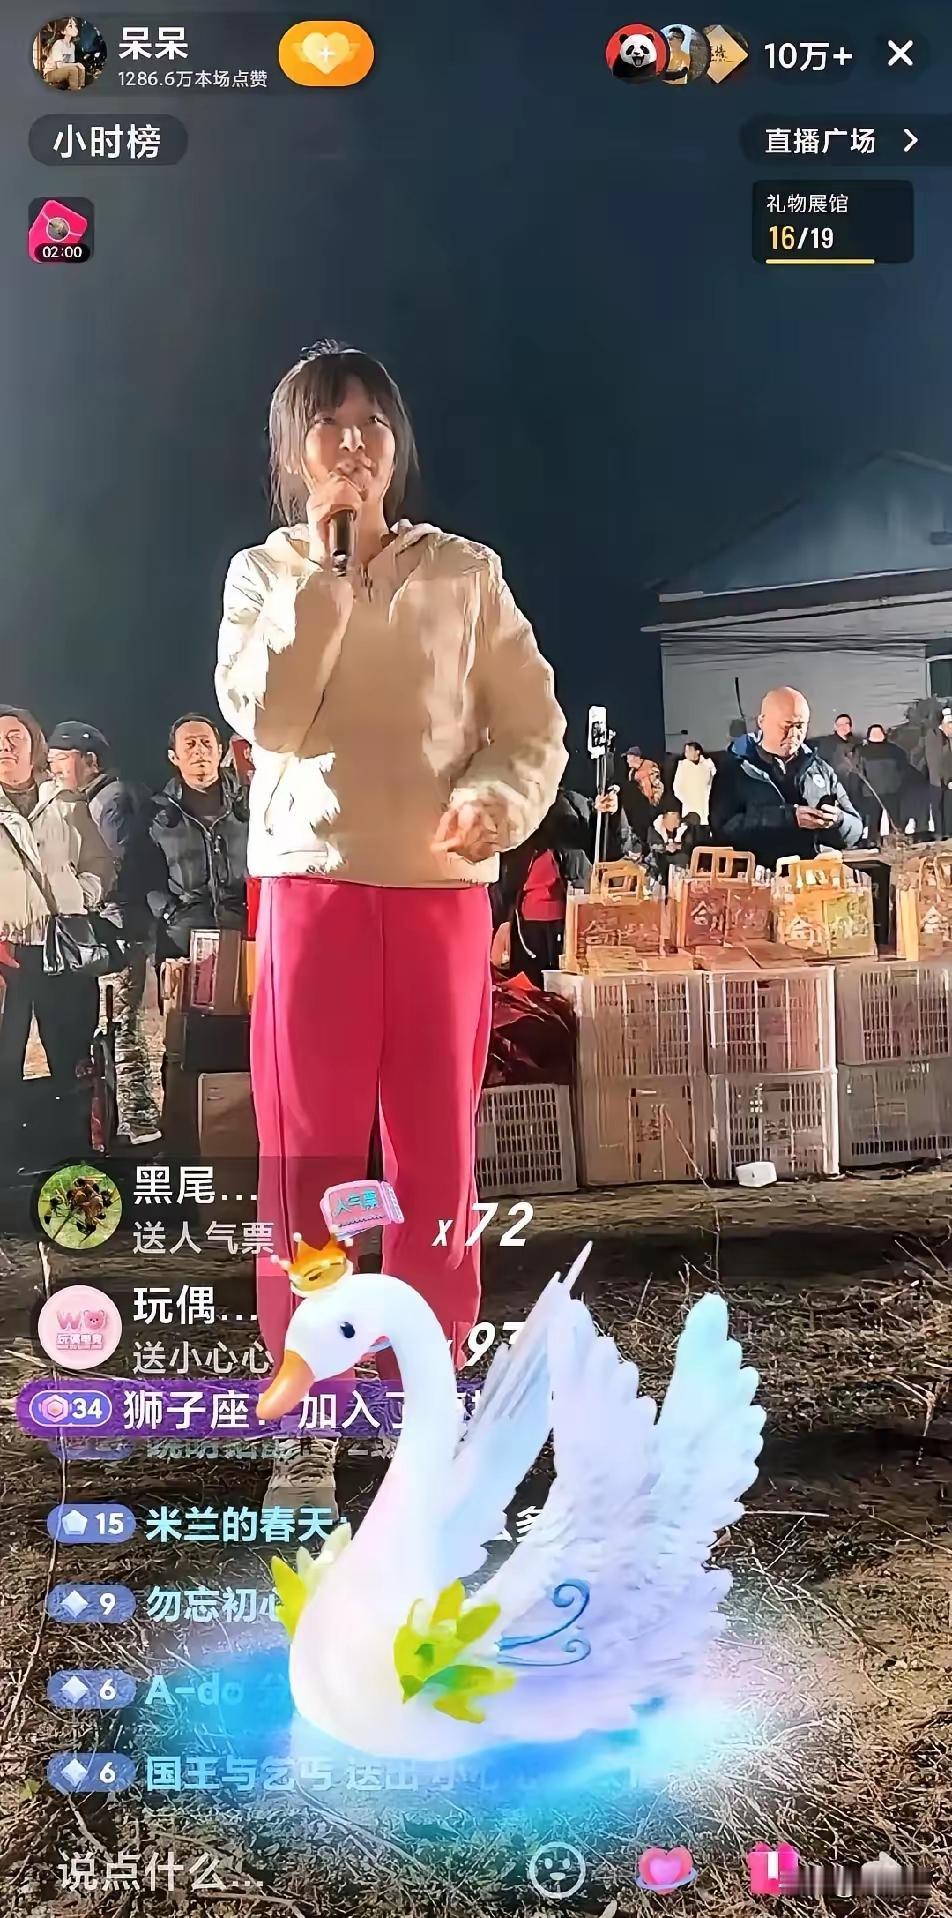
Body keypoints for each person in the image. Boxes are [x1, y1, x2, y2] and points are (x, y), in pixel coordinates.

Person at [215, 339, 566, 1509]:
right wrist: (327, 572)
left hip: (437, 896)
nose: (353, 443)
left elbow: (530, 725)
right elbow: (270, 715)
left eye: (371, 422)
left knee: (433, 1157)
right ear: (293, 451)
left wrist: (495, 800)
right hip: (311, 887)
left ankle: (429, 1407)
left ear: (396, 444)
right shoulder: (262, 576)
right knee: (310, 1156)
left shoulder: (465, 573)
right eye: (329, 424)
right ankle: (308, 1415)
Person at [0, 708, 113, 1138]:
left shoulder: (65, 803)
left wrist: (77, 898)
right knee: (5, 1061)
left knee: (71, 1058)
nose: (5, 747)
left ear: (35, 745)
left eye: (15, 737)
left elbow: (100, 865)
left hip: (62, 948)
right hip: (5, 954)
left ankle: (72, 1148)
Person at [47, 720, 162, 1145]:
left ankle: (138, 1123)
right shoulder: (100, 798)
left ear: (90, 761)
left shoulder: (108, 800)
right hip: (114, 929)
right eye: (51, 761)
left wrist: (78, 891)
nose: (55, 769)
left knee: (123, 1026)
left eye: (63, 759)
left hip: (118, 930)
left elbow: (116, 865)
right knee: (113, 1027)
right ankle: (119, 1123)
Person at [490, 786, 634, 987]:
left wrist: (612, 814)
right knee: (530, 993)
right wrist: (501, 922)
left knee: (570, 990)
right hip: (524, 925)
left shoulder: (577, 804)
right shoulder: (512, 806)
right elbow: (499, 871)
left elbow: (610, 852)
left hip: (574, 920)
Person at [709, 686, 864, 869]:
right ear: (762, 721)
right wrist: (788, 818)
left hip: (810, 878)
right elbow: (723, 830)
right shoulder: (736, 770)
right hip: (758, 877)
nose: (793, 734)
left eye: (800, 726)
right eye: (786, 726)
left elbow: (855, 829)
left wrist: (839, 820)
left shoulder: (820, 770)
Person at [149, 714, 249, 962]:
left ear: (220, 750)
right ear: (174, 757)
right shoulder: (157, 813)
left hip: (245, 932)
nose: (199, 751)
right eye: (190, 745)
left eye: (206, 743)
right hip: (182, 941)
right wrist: (170, 913)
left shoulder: (248, 803)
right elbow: (143, 877)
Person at [855, 724, 915, 842]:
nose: (877, 735)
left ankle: (896, 840)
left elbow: (903, 769)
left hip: (892, 791)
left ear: (884, 734)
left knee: (895, 819)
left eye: (879, 732)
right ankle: (872, 841)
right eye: (874, 733)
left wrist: (898, 784)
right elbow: (858, 771)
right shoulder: (861, 751)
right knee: (873, 820)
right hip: (871, 792)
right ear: (869, 735)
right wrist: (862, 788)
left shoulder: (895, 750)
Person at [913, 708, 952, 840]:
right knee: (937, 808)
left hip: (948, 779)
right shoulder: (932, 735)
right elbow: (924, 756)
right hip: (935, 780)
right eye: (949, 724)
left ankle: (947, 832)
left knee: (948, 807)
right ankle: (939, 833)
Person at [646, 801, 692, 890]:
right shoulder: (654, 828)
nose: (675, 822)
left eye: (677, 818)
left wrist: (678, 846)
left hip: (679, 864)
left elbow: (690, 846)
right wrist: (664, 847)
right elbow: (651, 846)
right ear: (664, 818)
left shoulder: (685, 829)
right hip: (659, 863)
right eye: (671, 818)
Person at [672, 740, 716, 824]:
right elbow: (677, 786)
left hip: (704, 803)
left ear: (697, 752)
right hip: (689, 804)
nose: (686, 753)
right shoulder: (682, 765)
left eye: (689, 750)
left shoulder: (708, 764)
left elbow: (714, 778)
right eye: (685, 751)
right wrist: (685, 799)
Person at [42, 16, 86, 88]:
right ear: (63, 31)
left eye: (75, 25)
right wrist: (77, 64)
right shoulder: (59, 44)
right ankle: (74, 90)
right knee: (74, 69)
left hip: (63, 71)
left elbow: (70, 63)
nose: (75, 28)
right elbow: (59, 66)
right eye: (70, 26)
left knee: (81, 68)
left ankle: (80, 87)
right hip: (50, 73)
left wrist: (78, 65)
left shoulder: (72, 46)